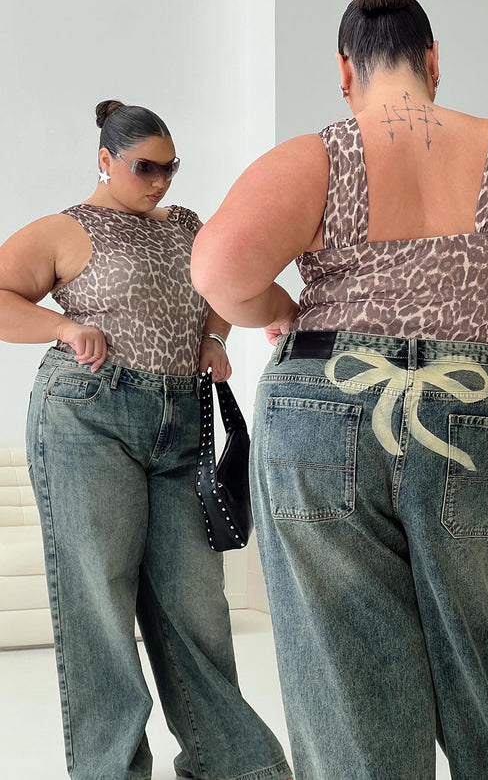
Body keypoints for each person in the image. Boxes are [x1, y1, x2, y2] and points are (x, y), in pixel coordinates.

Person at [190, 0, 488, 778]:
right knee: (487, 660)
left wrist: (278, 304)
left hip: (322, 407)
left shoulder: (317, 157)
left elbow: (216, 270)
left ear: (345, 70)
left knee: (347, 672)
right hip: (468, 407)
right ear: (432, 59)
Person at [0, 100, 291, 780]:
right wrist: (63, 328)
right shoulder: (67, 229)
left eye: (170, 168)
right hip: (88, 417)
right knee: (99, 599)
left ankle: (233, 764)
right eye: (145, 168)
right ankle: (111, 769)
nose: (160, 181)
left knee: (196, 602)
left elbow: (222, 284)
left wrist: (214, 337)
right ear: (106, 160)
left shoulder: (187, 224)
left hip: (182, 417)